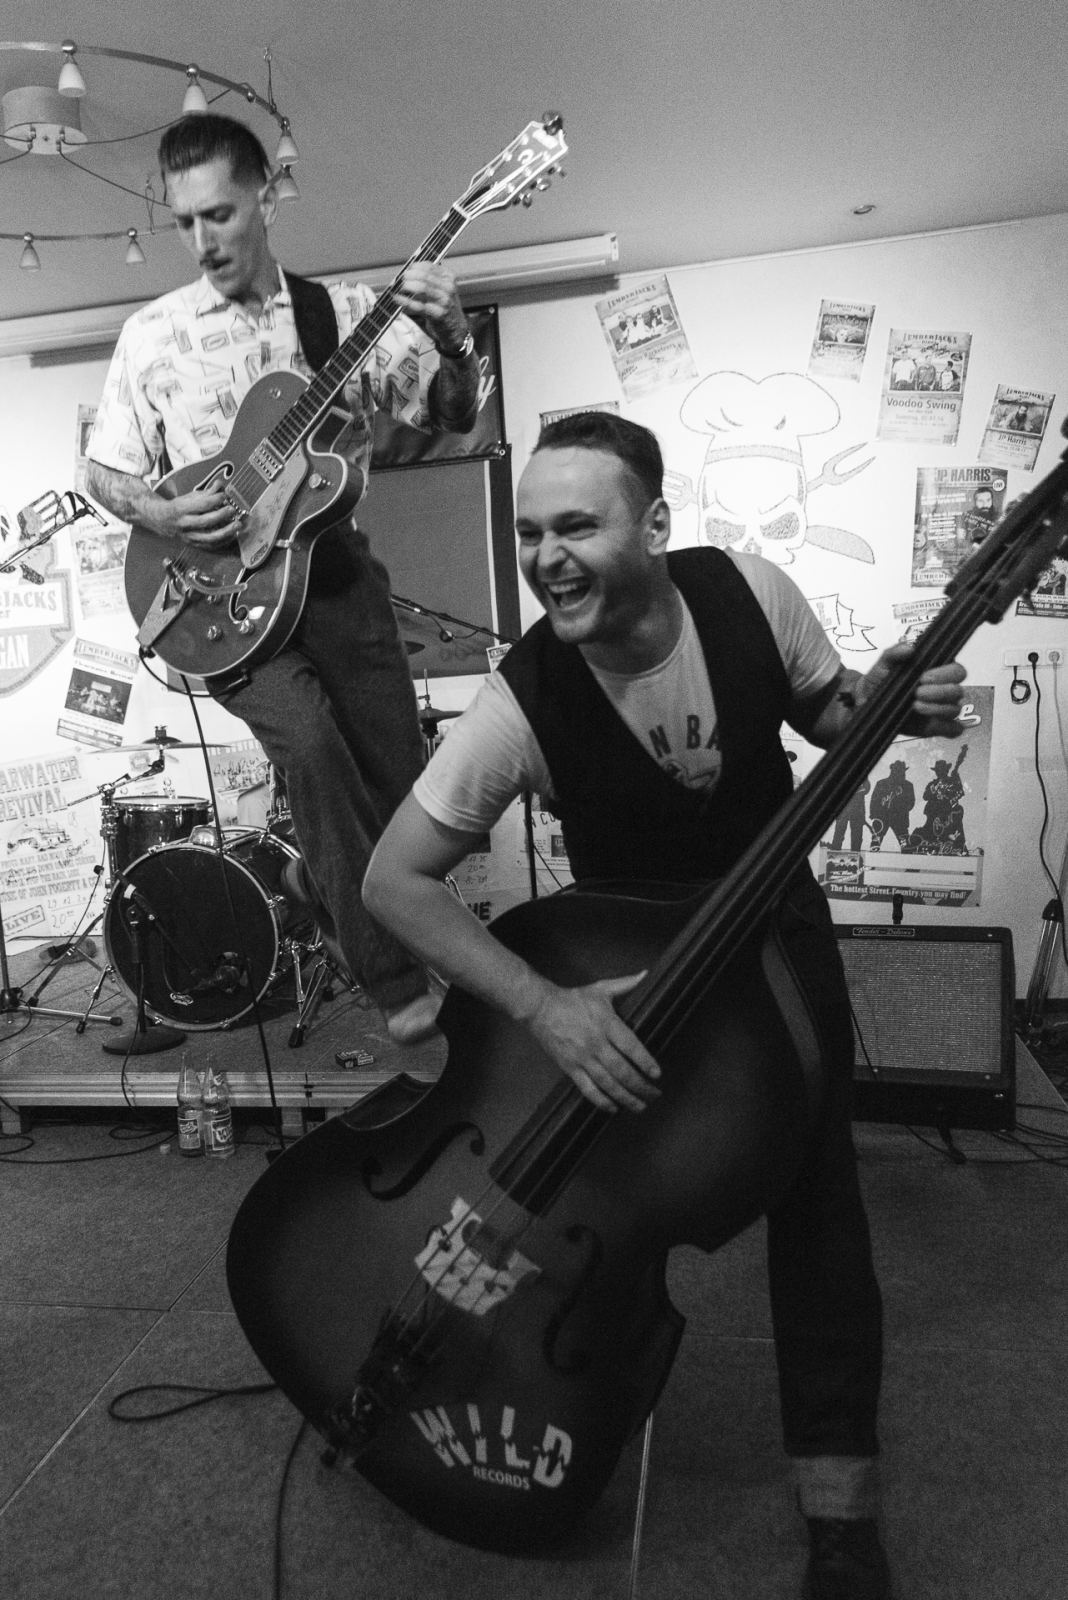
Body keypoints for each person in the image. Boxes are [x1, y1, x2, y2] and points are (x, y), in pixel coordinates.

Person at [364, 412, 966, 1599]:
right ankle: (529, 1403)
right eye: (528, 532)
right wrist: (543, 1006)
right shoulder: (521, 699)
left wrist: (895, 702)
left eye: (575, 525)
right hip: (626, 984)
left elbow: (829, 716)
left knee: (818, 1197)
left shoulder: (750, 592)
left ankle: (841, 1509)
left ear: (654, 524)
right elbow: (393, 880)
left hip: (779, 946)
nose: (545, 556)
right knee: (597, 1204)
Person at [86, 112, 479, 1043]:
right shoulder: (150, 334)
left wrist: (455, 340)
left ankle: (312, 879)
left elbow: (453, 414)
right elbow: (101, 472)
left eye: (219, 214)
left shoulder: (338, 316)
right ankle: (394, 980)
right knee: (307, 745)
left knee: (405, 790)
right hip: (216, 594)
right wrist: (160, 515)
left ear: (266, 196)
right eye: (185, 221)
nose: (201, 240)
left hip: (333, 577)